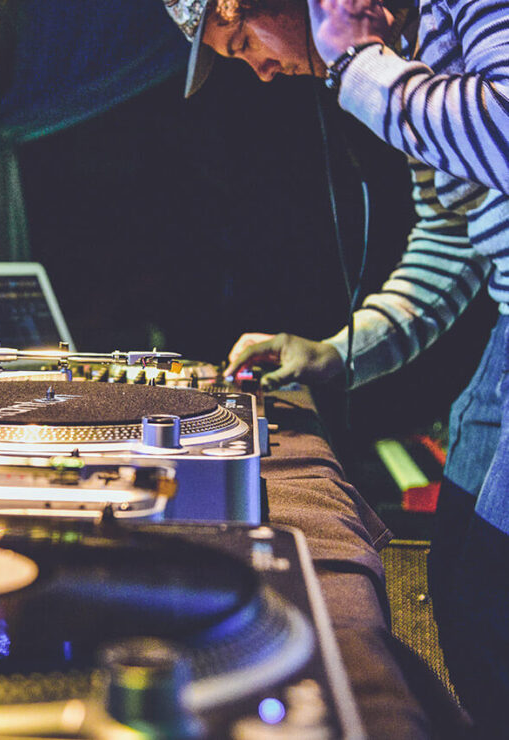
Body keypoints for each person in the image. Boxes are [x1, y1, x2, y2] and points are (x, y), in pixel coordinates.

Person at [163, 0, 509, 734]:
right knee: (463, 587)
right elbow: (455, 235)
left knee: (496, 596)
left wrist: (357, 64)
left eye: (243, 39)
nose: (260, 70)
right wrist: (337, 352)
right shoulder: (404, 54)